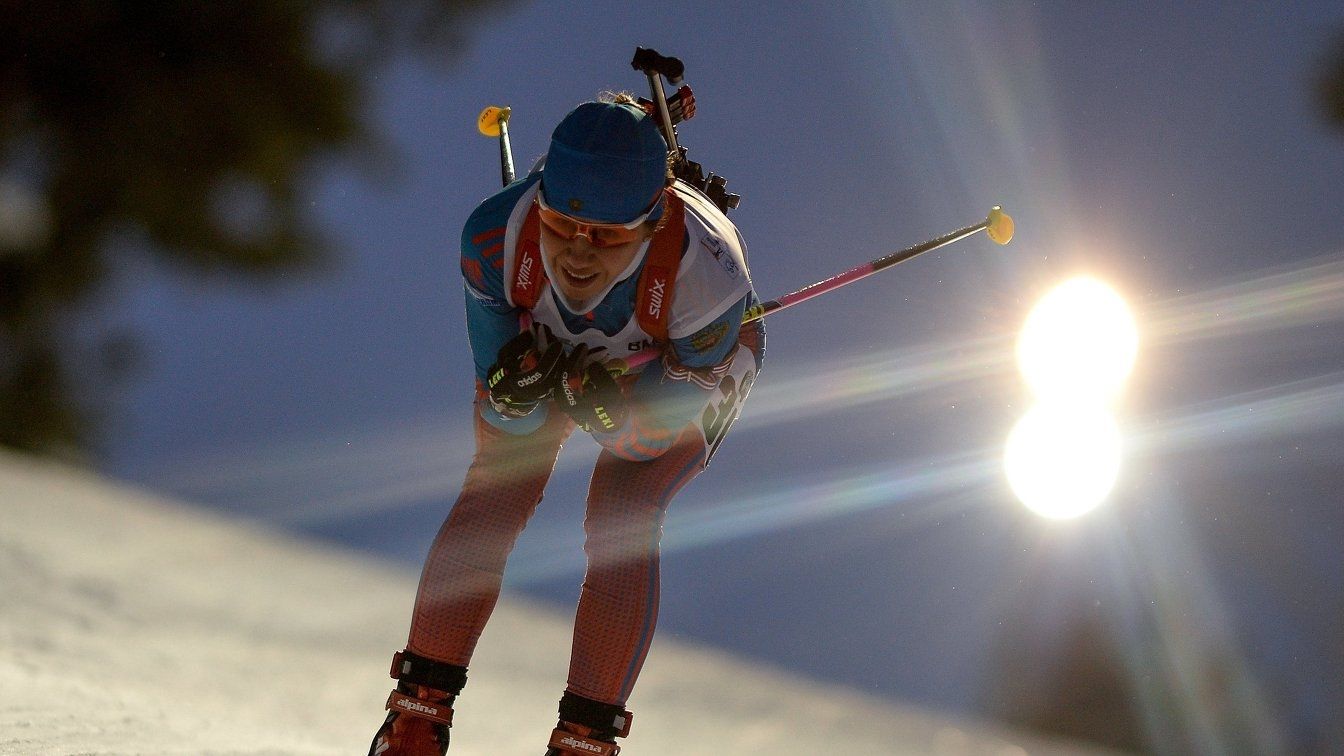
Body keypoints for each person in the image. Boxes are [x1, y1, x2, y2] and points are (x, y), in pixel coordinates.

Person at [368, 95, 764, 756]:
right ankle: (416, 717)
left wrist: (612, 415)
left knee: (624, 513)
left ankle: (585, 739)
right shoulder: (496, 235)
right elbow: (505, 405)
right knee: (499, 485)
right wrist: (517, 385)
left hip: (675, 361)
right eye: (561, 226)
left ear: (650, 221)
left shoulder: (706, 282)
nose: (579, 256)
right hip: (557, 343)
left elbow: (650, 440)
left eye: (608, 236)